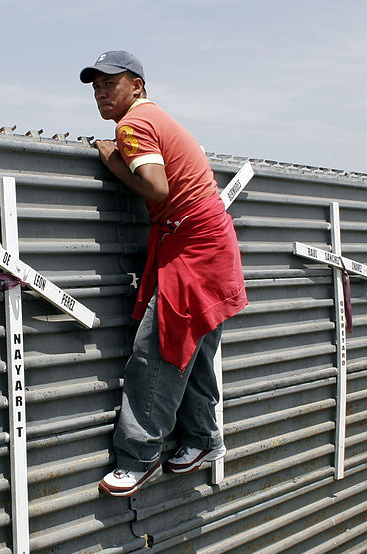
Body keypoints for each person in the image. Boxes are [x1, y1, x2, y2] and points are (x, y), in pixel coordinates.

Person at [80, 50, 248, 496]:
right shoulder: (158, 118)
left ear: (137, 85)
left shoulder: (133, 125)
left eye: (109, 84)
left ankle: (139, 458)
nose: (100, 93)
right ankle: (201, 439)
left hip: (192, 248)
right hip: (206, 243)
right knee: (191, 348)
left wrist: (112, 161)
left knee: (157, 351)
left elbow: (156, 187)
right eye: (95, 87)